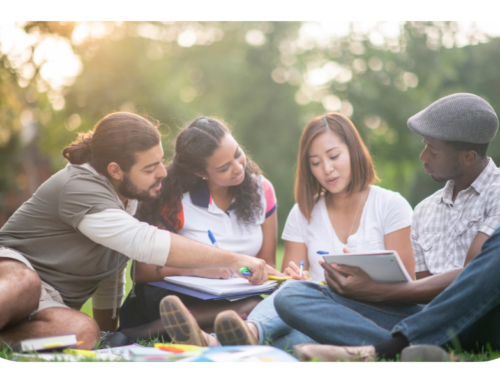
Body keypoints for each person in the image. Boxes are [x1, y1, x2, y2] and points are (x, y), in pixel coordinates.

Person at [0, 112, 271, 351]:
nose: (163, 173)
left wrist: (107, 330)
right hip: (12, 270)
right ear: (115, 170)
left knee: (84, 335)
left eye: (161, 162)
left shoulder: (131, 196)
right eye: (150, 168)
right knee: (25, 283)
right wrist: (234, 259)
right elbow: (144, 242)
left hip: (49, 303)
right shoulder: (79, 187)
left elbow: (111, 274)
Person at [272, 93, 500, 362]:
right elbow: (424, 289)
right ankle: (431, 353)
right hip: (428, 320)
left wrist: (378, 291)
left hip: (484, 319)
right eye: (424, 145)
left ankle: (384, 351)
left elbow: (471, 279)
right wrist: (354, 288)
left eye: (433, 150)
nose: (422, 155)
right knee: (291, 295)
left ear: (468, 157)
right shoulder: (426, 209)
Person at [156, 112, 414, 349]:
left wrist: (354, 289)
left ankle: (228, 338)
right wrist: (294, 279)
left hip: (376, 314)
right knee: (290, 318)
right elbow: (286, 283)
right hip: (320, 315)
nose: (327, 169)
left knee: (293, 302)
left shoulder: (390, 206)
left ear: (354, 151)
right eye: (315, 162)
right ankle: (233, 341)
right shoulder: (304, 212)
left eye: (334, 156)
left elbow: (406, 290)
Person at [117, 116, 278, 341]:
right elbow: (143, 272)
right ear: (200, 173)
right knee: (253, 306)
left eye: (237, 153)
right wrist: (197, 269)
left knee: (265, 303)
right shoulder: (175, 200)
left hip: (234, 292)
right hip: (177, 294)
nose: (238, 167)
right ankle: (156, 328)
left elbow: (266, 262)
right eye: (223, 168)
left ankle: (190, 332)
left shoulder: (263, 190)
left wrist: (261, 274)